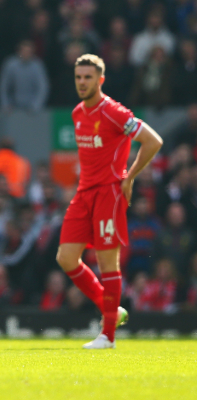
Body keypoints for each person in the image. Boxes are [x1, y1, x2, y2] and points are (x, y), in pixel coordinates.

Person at [56, 54, 163, 349]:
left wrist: (129, 177)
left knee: (107, 263)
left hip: (109, 193)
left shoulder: (114, 112)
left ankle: (108, 336)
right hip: (83, 193)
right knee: (65, 258)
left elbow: (153, 140)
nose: (82, 82)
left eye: (88, 77)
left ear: (100, 80)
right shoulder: (78, 113)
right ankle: (112, 310)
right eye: (78, 77)